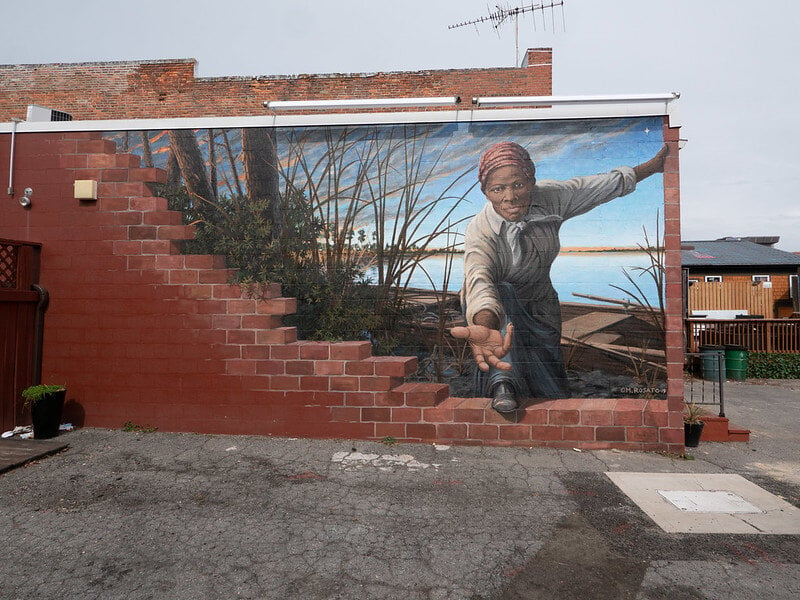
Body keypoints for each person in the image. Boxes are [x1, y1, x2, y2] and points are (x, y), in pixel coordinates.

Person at [451, 140, 668, 413]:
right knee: (503, 297)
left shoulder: (551, 196)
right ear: (486, 192)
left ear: (531, 180)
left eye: (518, 185)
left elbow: (599, 186)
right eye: (498, 189)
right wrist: (486, 325)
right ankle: (502, 386)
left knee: (550, 386)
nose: (510, 196)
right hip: (495, 304)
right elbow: (480, 280)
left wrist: (651, 167)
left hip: (540, 299)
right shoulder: (480, 230)